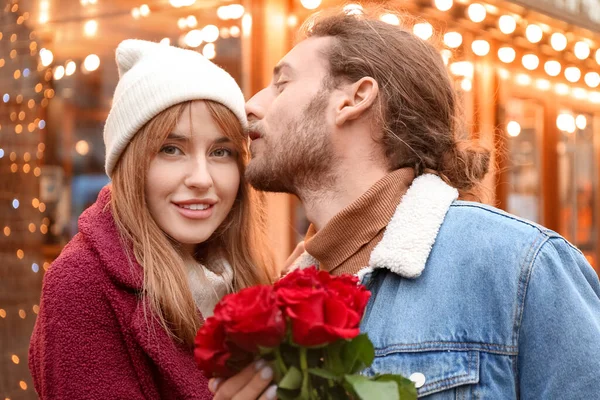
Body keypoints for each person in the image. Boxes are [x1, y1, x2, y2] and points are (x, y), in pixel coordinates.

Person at [210, 6, 600, 400]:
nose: (251, 106)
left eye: (281, 84)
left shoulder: (519, 264)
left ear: (354, 98)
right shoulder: (288, 290)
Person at [29, 39, 276, 399]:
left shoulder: (240, 273)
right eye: (171, 150)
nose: (202, 178)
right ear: (131, 166)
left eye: (220, 152)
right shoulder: (80, 283)